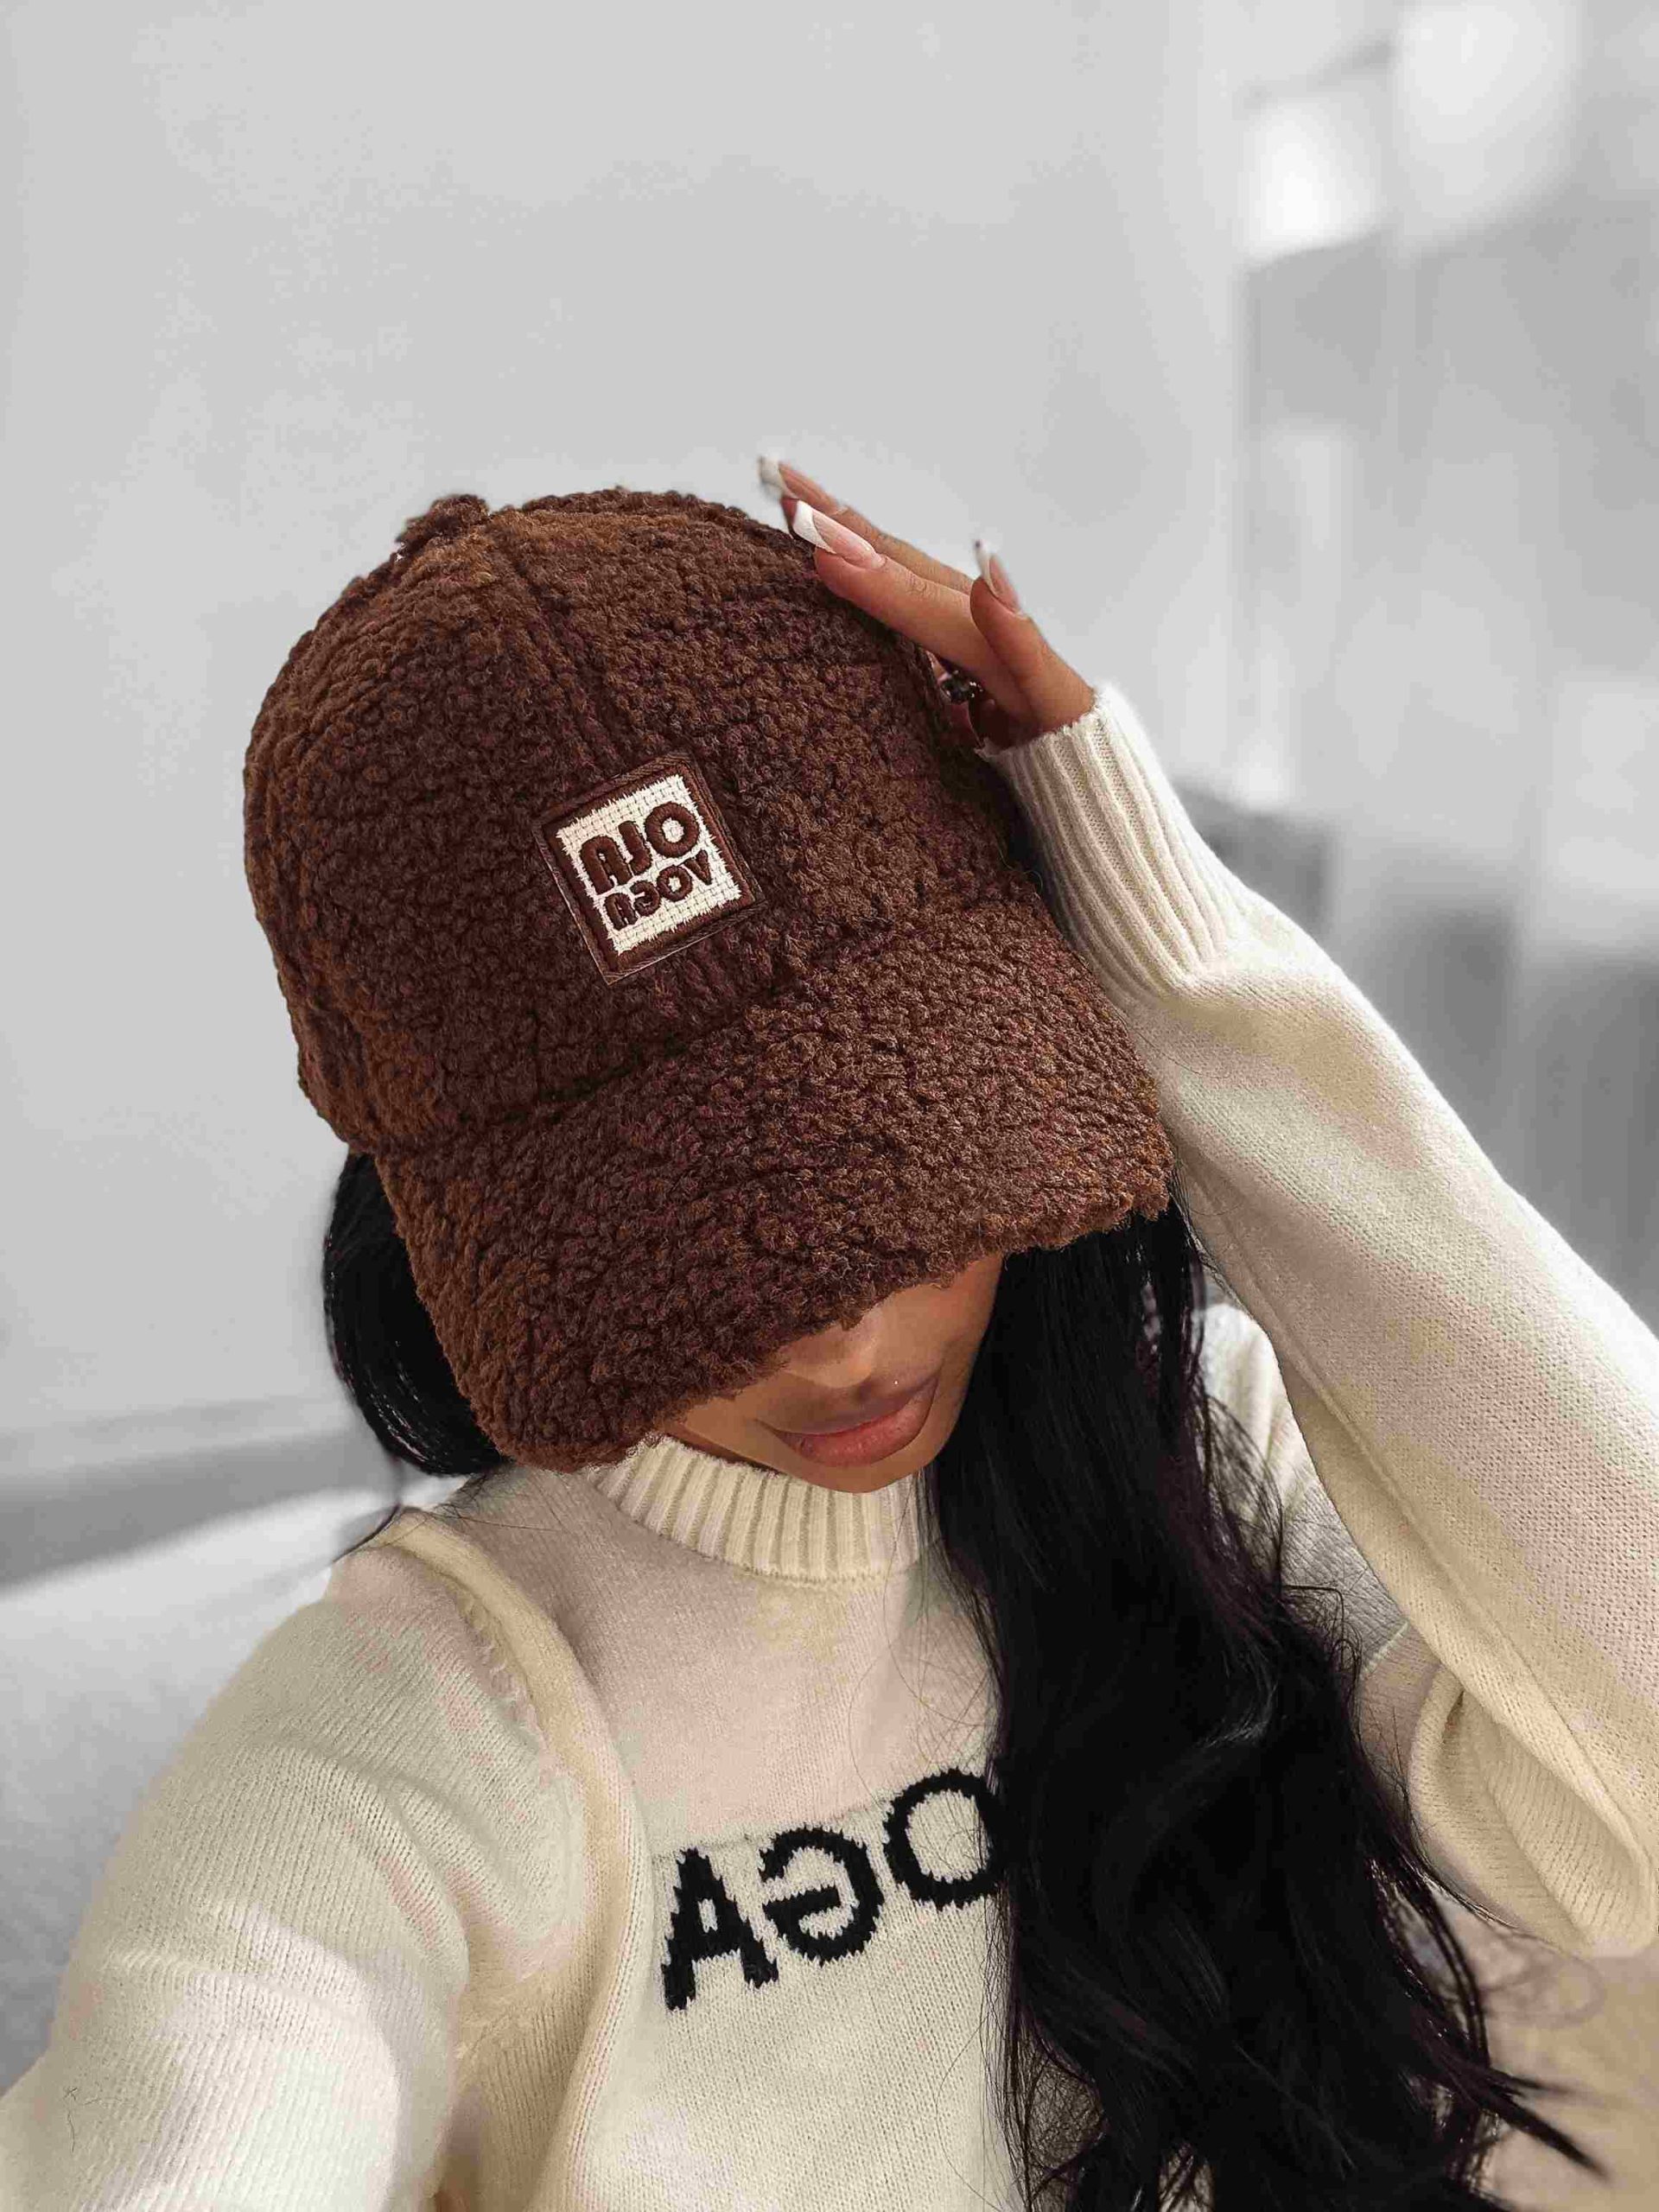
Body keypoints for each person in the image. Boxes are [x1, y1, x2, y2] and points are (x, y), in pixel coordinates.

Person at [4, 460, 1657, 2212]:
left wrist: (1169, 949)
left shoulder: (1228, 1454)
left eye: (902, 1157)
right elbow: (197, 2101)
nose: (846, 1333)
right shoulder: (419, 1729)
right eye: (690, 1234)